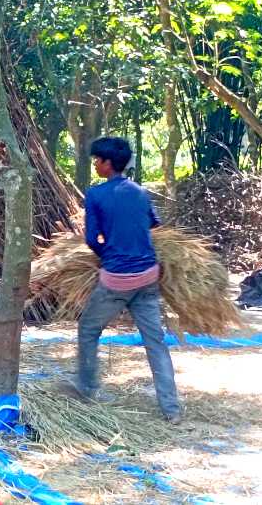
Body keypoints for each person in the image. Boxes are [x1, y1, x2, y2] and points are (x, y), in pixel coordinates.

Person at [74, 136, 181, 424]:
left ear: (108, 164)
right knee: (155, 342)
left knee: (87, 329)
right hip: (148, 277)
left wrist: (106, 253)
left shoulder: (95, 195)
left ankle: (85, 389)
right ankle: (171, 409)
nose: (95, 164)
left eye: (97, 160)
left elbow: (90, 239)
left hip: (116, 279)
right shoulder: (141, 192)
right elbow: (154, 226)